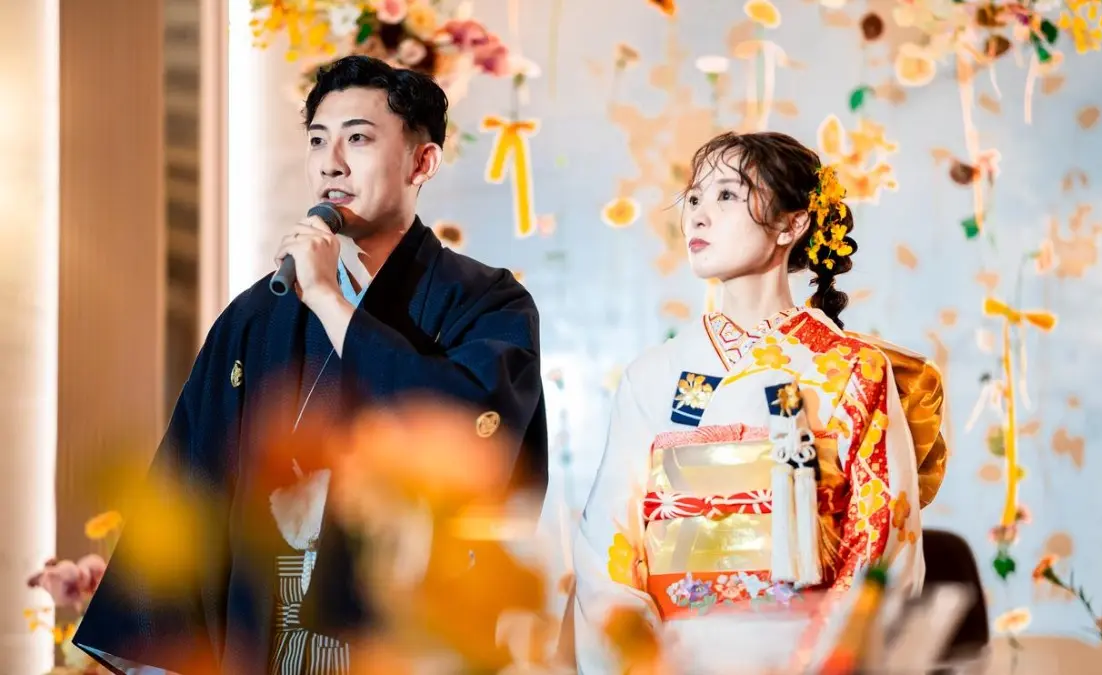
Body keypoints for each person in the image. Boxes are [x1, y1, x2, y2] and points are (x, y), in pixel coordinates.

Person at [73, 55, 548, 674]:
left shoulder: (485, 301)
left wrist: (330, 300)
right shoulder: (256, 316)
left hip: (404, 635)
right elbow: (190, 480)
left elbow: (472, 431)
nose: (331, 162)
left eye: (359, 138)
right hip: (266, 631)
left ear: (422, 162)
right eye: (318, 140)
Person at [570, 131, 948, 674]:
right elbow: (607, 546)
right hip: (674, 659)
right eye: (694, 198)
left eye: (726, 195)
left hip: (806, 657)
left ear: (791, 225)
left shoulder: (853, 369)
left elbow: (883, 540)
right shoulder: (652, 375)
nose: (698, 216)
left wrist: (824, 663)